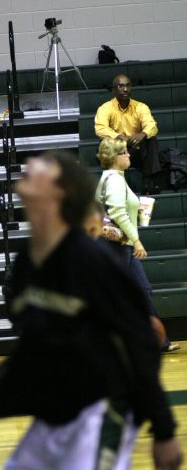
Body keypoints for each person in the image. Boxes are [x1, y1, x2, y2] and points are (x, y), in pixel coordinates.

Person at [0, 151, 183, 470]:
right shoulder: (28, 263)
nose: (25, 176)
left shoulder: (97, 264)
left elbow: (141, 346)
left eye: (38, 171)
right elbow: (38, 344)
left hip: (101, 414)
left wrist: (164, 431)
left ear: (61, 192)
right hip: (52, 416)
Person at [96, 137, 179, 353]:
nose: (129, 155)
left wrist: (137, 206)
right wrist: (137, 240)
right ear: (115, 157)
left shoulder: (109, 178)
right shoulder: (114, 179)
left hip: (116, 245)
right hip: (118, 245)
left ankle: (158, 340)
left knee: (143, 290)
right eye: (124, 153)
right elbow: (117, 213)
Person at [94, 74, 161, 193]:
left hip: (136, 148)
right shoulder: (105, 108)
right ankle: (114, 184)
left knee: (151, 139)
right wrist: (118, 137)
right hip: (118, 149)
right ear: (114, 90)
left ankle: (148, 182)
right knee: (103, 145)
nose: (125, 89)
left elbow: (152, 125)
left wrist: (143, 134)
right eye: (121, 86)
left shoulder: (140, 106)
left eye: (128, 86)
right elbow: (100, 128)